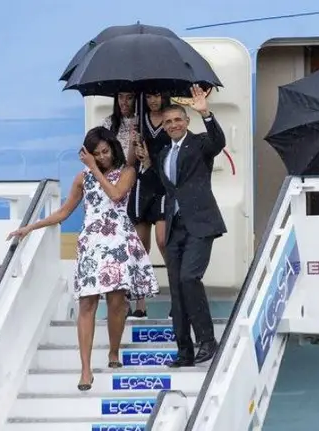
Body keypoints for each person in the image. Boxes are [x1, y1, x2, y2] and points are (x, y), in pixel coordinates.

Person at [6, 126, 159, 390]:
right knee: (86, 304)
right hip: (91, 243)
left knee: (115, 302)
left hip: (118, 241)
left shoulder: (127, 172)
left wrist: (95, 170)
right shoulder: (82, 178)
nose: (102, 157)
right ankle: (85, 370)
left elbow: (115, 194)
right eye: (96, 154)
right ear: (87, 154)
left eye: (105, 151)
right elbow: (64, 212)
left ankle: (113, 351)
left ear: (113, 148)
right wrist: (30, 227)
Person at [158, 85, 226, 367]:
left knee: (189, 279)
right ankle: (184, 352)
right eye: (168, 122)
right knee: (176, 288)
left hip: (200, 224)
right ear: (163, 126)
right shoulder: (163, 154)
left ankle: (207, 341)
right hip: (175, 228)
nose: (173, 125)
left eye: (178, 120)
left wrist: (206, 113)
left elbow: (218, 142)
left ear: (186, 122)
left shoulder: (199, 144)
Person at [101, 92, 151, 318]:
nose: (124, 102)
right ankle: (121, 301)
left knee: (139, 245)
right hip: (113, 186)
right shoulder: (108, 123)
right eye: (120, 97)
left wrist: (135, 140)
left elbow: (133, 162)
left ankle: (141, 303)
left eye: (129, 98)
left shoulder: (144, 122)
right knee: (116, 247)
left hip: (137, 185)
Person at [126, 92, 172, 319]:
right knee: (140, 249)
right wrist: (134, 145)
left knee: (164, 241)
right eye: (150, 96)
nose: (154, 100)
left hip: (163, 186)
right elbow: (129, 162)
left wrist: (153, 159)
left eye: (157, 96)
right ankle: (140, 306)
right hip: (142, 186)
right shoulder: (140, 122)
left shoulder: (172, 120)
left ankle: (178, 300)